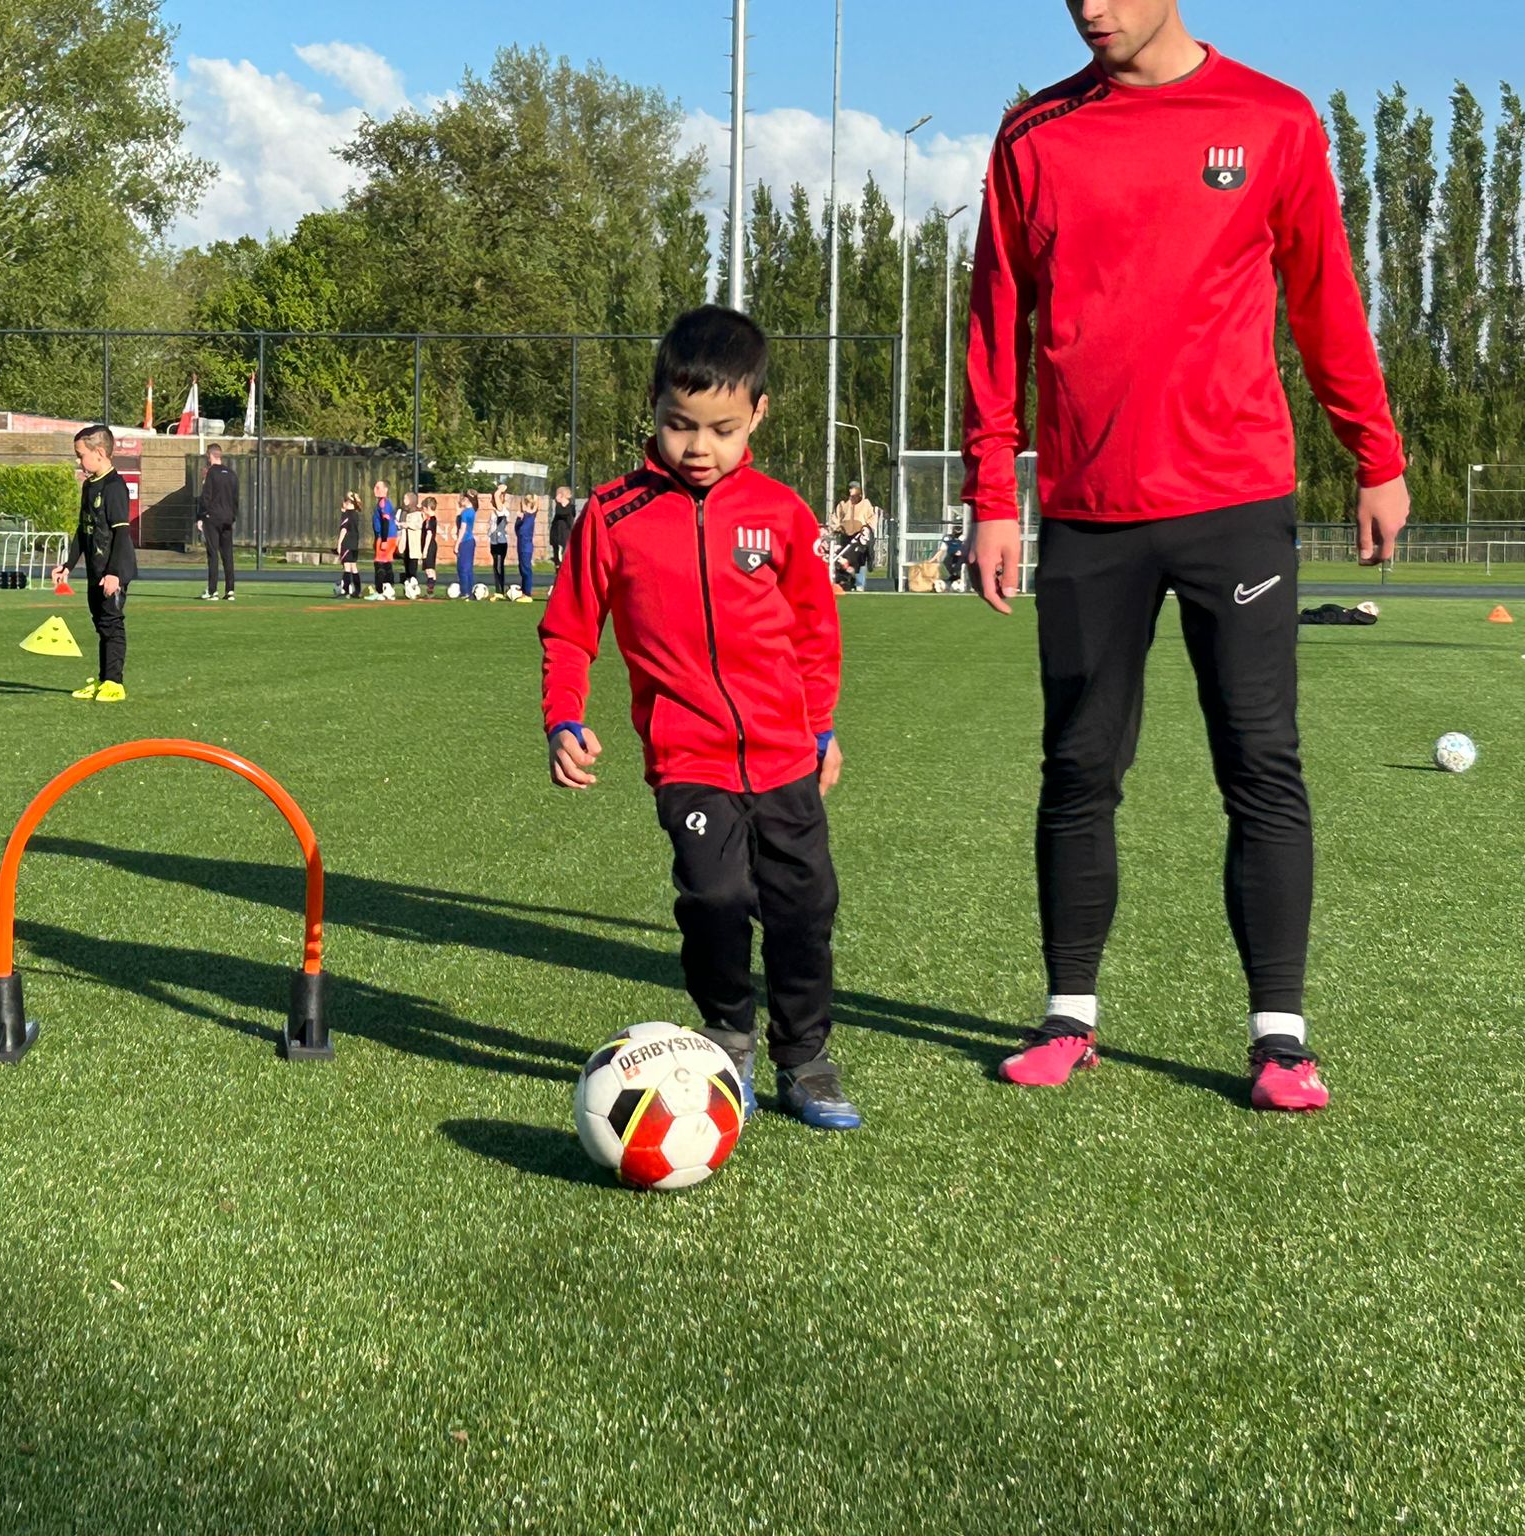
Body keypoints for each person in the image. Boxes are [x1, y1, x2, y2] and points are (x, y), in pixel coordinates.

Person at [963, 0, 1411, 1111]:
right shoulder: (1032, 137)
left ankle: (1278, 1040)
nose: (1089, 10)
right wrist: (990, 489)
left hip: (1234, 504)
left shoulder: (1270, 120)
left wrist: (1374, 450)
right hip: (1085, 509)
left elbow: (1321, 298)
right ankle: (1067, 1018)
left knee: (1259, 763)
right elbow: (995, 319)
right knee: (1077, 765)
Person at [540, 304, 857, 1131]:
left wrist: (819, 729)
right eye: (680, 425)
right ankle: (728, 1040)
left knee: (803, 905)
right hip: (689, 758)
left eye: (720, 428)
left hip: (787, 756)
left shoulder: (782, 513)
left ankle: (805, 1056)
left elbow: (816, 634)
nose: (697, 447)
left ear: (757, 414)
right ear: (652, 406)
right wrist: (562, 718)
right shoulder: (612, 516)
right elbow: (570, 630)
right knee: (715, 897)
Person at [51, 423, 136, 701]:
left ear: (99, 452)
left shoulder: (114, 487)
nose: (79, 461)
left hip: (112, 570)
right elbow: (83, 528)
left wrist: (114, 573)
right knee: (100, 623)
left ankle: (116, 683)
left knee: (112, 622)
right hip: (94, 569)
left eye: (80, 455)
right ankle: (104, 680)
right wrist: (68, 564)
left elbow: (122, 533)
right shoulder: (89, 485)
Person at [196, 443, 238, 601]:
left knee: (213, 554)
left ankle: (213, 590)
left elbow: (206, 496)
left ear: (210, 455)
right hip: (227, 519)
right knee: (228, 555)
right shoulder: (232, 474)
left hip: (213, 518)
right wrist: (232, 516)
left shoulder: (211, 473)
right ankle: (230, 590)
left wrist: (200, 516)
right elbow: (235, 499)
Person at [367, 479, 397, 600]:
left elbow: (385, 521)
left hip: (386, 537)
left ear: (385, 490)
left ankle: (379, 592)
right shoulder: (386, 503)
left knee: (379, 563)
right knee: (387, 563)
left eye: (378, 487)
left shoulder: (383, 503)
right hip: (391, 536)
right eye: (375, 487)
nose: (375, 490)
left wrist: (383, 540)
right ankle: (389, 589)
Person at [335, 491, 362, 598]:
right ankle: (357, 590)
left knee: (347, 567)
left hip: (347, 543)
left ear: (348, 503)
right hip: (355, 543)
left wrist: (339, 543)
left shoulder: (347, 515)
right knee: (354, 567)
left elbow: (344, 530)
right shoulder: (356, 514)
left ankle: (345, 591)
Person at [515, 491, 540, 598]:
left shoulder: (531, 515)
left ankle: (527, 593)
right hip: (520, 544)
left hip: (526, 546)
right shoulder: (522, 516)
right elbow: (517, 530)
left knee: (526, 568)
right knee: (521, 567)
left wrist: (534, 498)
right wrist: (519, 519)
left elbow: (535, 507)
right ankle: (523, 588)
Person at [454, 491, 478, 597]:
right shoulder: (472, 511)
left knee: (462, 567)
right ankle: (469, 590)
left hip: (465, 541)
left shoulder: (466, 512)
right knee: (468, 568)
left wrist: (457, 543)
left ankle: (465, 591)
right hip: (470, 541)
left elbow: (462, 529)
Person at [488, 491, 512, 593]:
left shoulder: (503, 511)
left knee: (498, 565)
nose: (492, 500)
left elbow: (499, 509)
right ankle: (499, 589)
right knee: (495, 566)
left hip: (500, 542)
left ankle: (500, 590)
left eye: (493, 498)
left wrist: (499, 491)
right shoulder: (493, 512)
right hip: (494, 542)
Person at [548, 485, 576, 569]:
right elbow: (560, 512)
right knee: (557, 558)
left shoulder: (571, 508)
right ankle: (557, 567)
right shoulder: (558, 507)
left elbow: (568, 514)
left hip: (565, 535)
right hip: (557, 535)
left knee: (565, 555)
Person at [419, 496, 440, 596]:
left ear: (428, 508)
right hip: (431, 545)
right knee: (430, 568)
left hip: (430, 545)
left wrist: (425, 550)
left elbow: (429, 534)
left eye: (423, 508)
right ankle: (431, 588)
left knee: (429, 569)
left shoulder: (430, 520)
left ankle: (430, 589)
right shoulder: (429, 519)